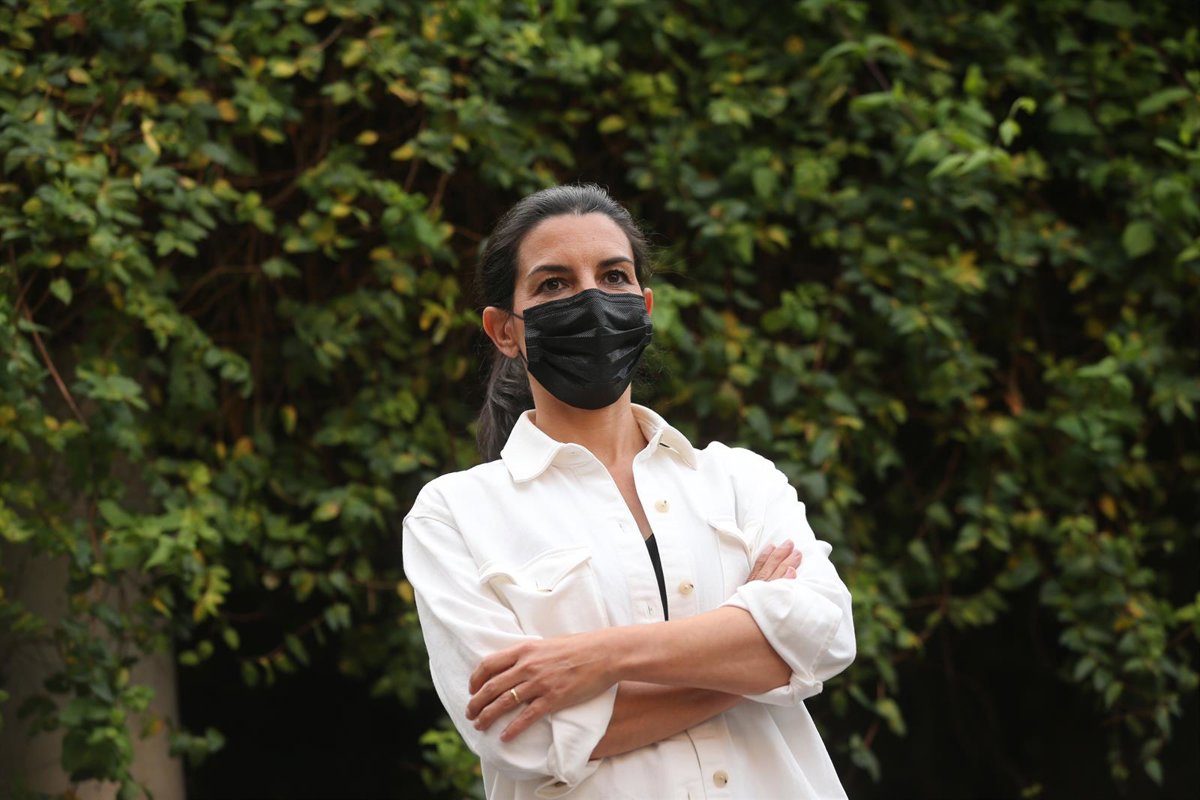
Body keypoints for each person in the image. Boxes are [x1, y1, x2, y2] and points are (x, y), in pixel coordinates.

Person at [402, 184, 856, 800]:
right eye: (553, 283)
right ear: (504, 330)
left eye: (613, 276)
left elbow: (827, 634)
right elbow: (523, 736)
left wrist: (600, 659)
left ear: (644, 307)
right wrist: (757, 660)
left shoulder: (741, 480)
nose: (591, 298)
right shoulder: (454, 516)